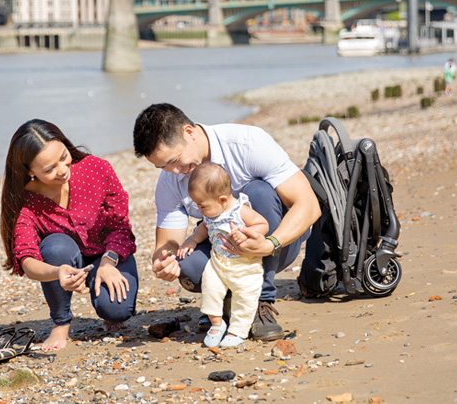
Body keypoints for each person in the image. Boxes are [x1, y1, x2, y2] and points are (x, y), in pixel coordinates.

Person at [133, 103, 321, 341]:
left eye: (176, 160)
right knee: (187, 263)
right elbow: (168, 243)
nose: (176, 171)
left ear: (189, 133)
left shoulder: (247, 143)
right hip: (223, 249)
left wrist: (270, 243)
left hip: (276, 243)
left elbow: (308, 205)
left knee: (259, 192)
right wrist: (164, 261)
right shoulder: (170, 179)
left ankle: (262, 302)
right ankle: (222, 302)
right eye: (164, 167)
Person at [0, 119, 138, 351]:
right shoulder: (25, 202)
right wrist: (57, 271)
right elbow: (27, 259)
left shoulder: (96, 168)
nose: (62, 170)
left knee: (117, 311)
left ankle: (108, 308)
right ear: (29, 171)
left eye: (64, 157)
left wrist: (108, 262)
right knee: (55, 248)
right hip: (64, 258)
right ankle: (60, 324)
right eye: (49, 169)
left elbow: (120, 226)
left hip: (109, 254)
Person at [178, 162, 269, 348]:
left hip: (245, 265)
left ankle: (238, 330)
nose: (199, 210)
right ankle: (217, 323)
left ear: (222, 200)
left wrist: (245, 232)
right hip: (218, 262)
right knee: (210, 289)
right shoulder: (210, 212)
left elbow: (262, 224)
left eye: (202, 206)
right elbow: (204, 227)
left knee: (245, 297)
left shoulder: (239, 210)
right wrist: (193, 240)